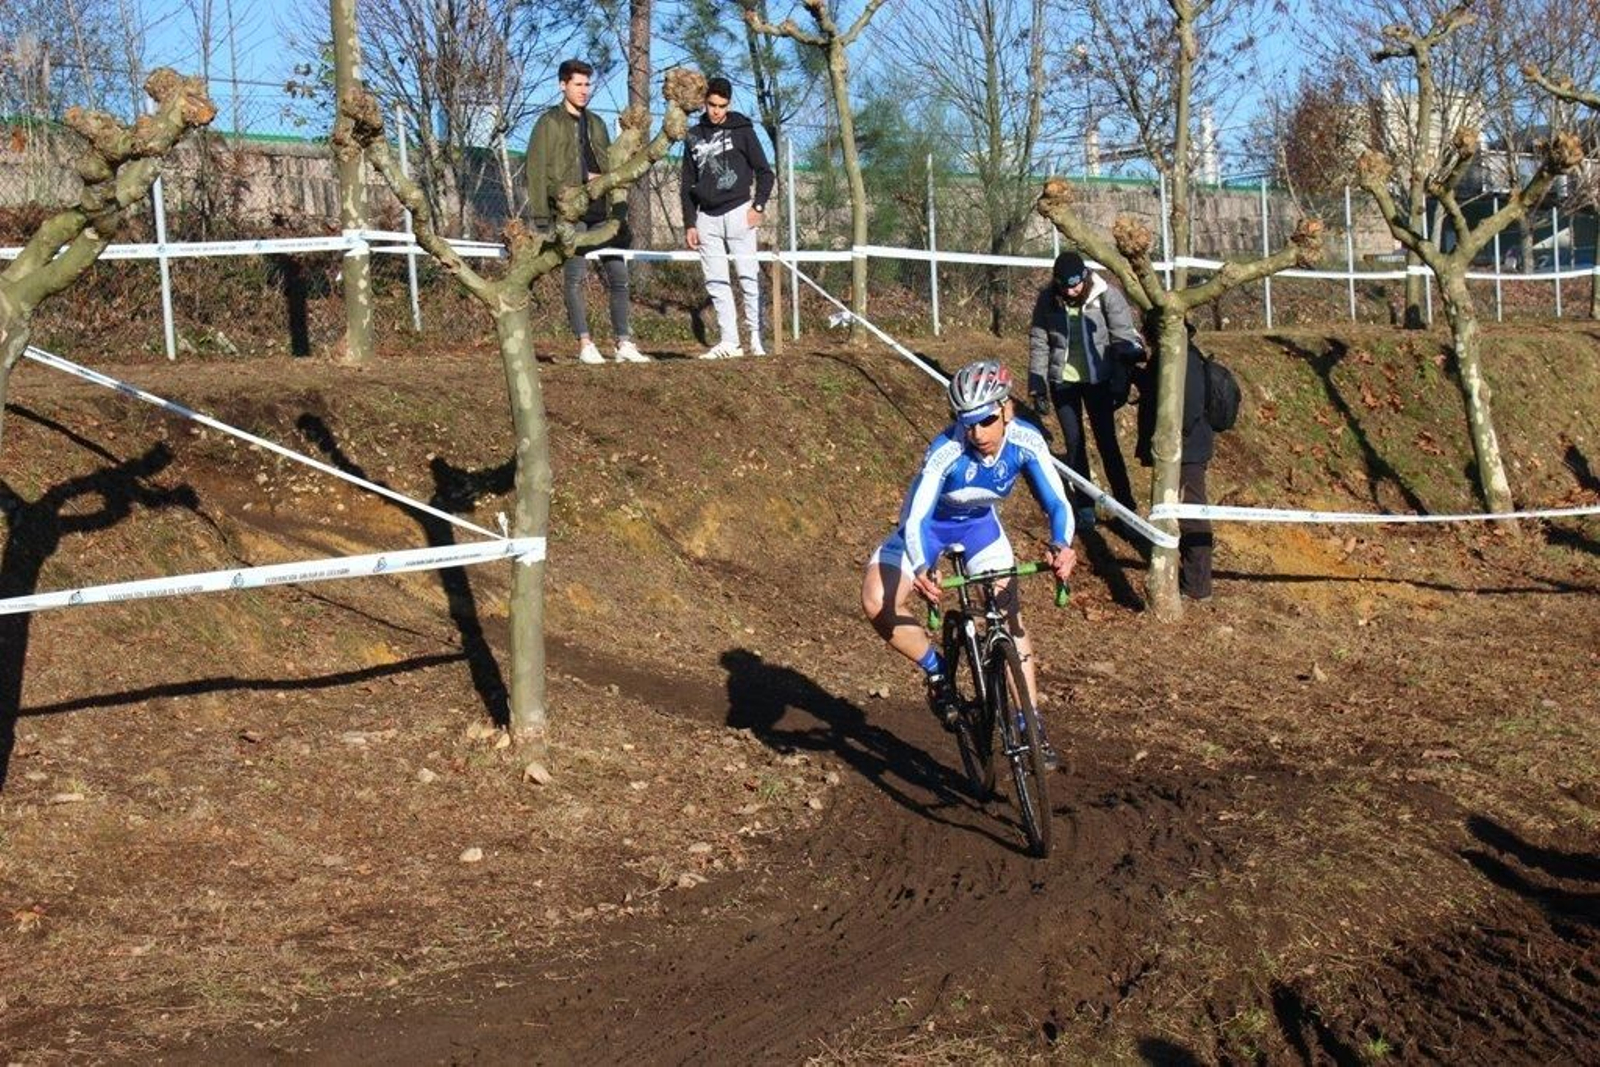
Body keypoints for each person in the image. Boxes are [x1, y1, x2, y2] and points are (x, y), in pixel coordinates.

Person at [860, 360, 1078, 767]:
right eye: (968, 423)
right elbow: (917, 519)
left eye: (988, 421)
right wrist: (924, 567)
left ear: (1007, 409)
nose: (977, 433)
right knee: (876, 600)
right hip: (926, 532)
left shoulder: (1026, 441)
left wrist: (1062, 545)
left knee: (1008, 618)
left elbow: (1057, 503)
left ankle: (1030, 722)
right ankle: (938, 671)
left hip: (980, 530)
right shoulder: (946, 451)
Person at [527, 58, 646, 365]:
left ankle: (623, 342)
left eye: (587, 84)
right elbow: (537, 171)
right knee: (575, 277)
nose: (584, 91)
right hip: (570, 213)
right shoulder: (548, 123)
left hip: (602, 212)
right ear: (562, 85)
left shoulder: (597, 123)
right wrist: (542, 219)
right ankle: (585, 344)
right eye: (578, 84)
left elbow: (609, 167)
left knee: (619, 277)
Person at [1027, 250, 1145, 529]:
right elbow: (1040, 341)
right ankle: (1085, 506)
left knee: (1108, 444)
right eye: (1065, 286)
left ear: (1084, 278)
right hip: (1063, 382)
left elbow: (1123, 339)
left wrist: (1121, 380)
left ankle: (1125, 507)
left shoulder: (1107, 296)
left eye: (1076, 284)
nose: (1071, 290)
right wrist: (1038, 384)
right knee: (1074, 444)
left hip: (1099, 381)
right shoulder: (1048, 300)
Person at [681, 76, 776, 359]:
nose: (716, 111)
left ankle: (756, 339)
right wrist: (689, 223)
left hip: (739, 212)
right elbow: (686, 183)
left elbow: (765, 172)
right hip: (705, 218)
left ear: (729, 104)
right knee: (716, 280)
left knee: (748, 276)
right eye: (711, 105)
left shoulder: (743, 130)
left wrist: (757, 207)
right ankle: (729, 341)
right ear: (704, 103)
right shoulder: (694, 135)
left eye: (722, 106)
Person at [1134, 321, 1214, 600]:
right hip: (1178, 449)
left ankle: (1198, 586)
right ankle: (1186, 576)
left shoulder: (1186, 359)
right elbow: (1160, 389)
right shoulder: (1169, 355)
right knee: (1177, 513)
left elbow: (1188, 407)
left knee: (1192, 515)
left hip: (1187, 452)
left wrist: (1169, 440)